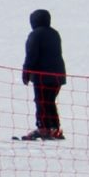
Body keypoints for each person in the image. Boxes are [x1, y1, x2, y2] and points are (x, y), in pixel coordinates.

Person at [20, 9, 66, 139]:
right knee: (49, 101)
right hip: (58, 76)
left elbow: (31, 55)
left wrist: (26, 71)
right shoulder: (55, 34)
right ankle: (54, 128)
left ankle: (43, 128)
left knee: (41, 101)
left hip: (42, 76)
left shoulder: (35, 35)